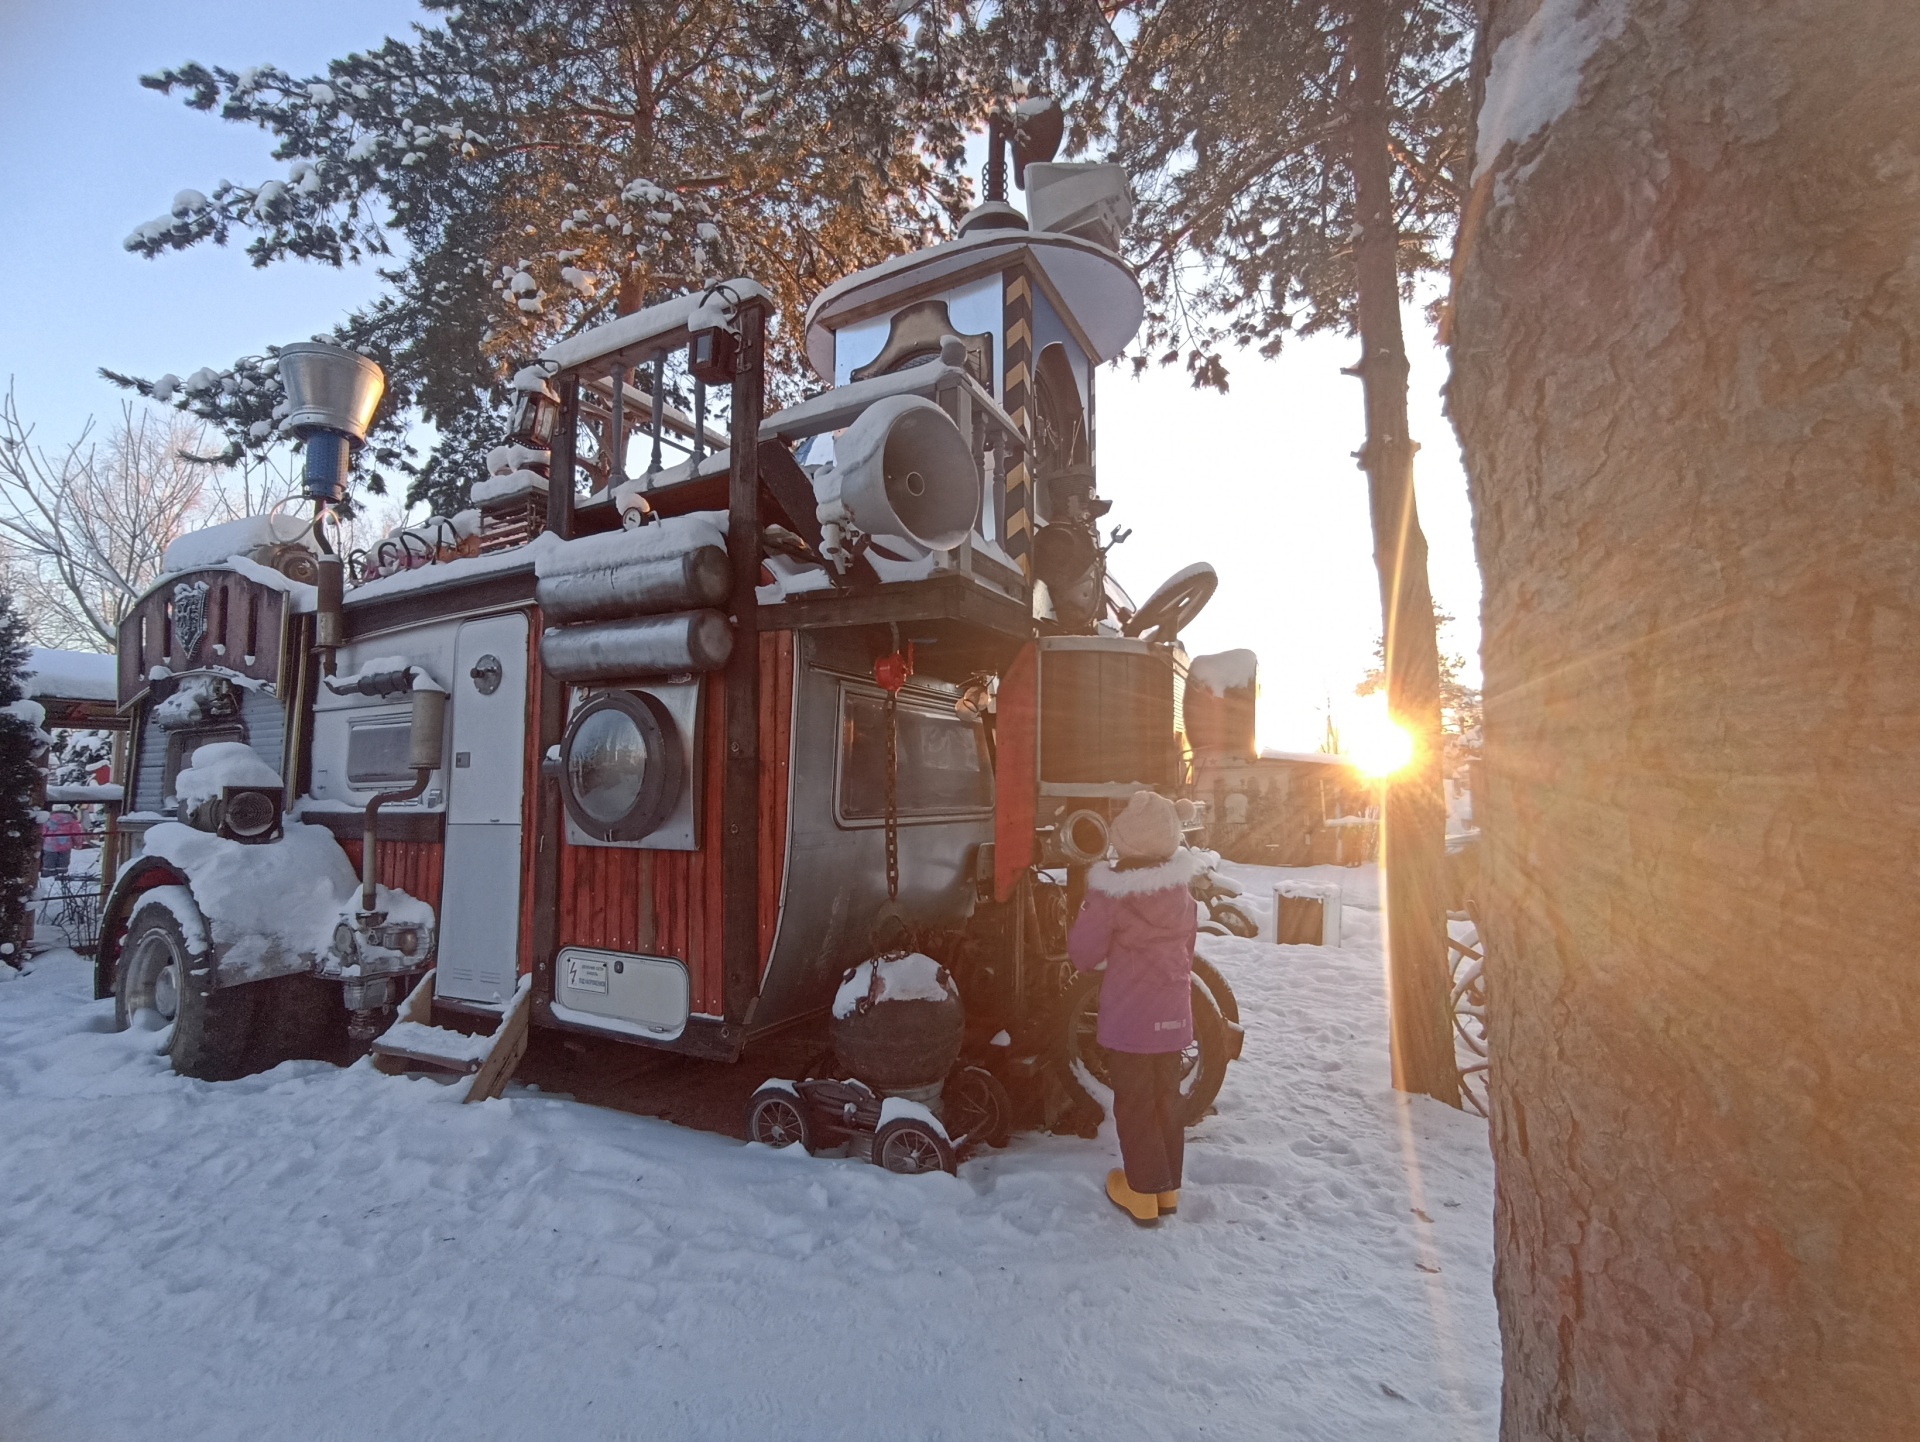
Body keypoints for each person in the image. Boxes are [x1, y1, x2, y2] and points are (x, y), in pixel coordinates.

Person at [1068, 789, 1201, 1225]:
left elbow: (1083, 954)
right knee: (1168, 1099)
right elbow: (1188, 948)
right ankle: (1168, 1189)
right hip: (1175, 1016)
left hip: (1130, 1021)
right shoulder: (1182, 894)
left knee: (1135, 1104)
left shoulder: (1113, 895)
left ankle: (1141, 1192)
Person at [40, 808, 82, 878]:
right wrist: (78, 843)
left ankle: (48, 875)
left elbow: (42, 831)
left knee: (49, 860)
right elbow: (76, 833)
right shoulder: (72, 820)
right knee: (63, 861)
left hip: (50, 845)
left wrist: (41, 842)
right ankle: (62, 876)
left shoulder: (48, 819)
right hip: (65, 845)